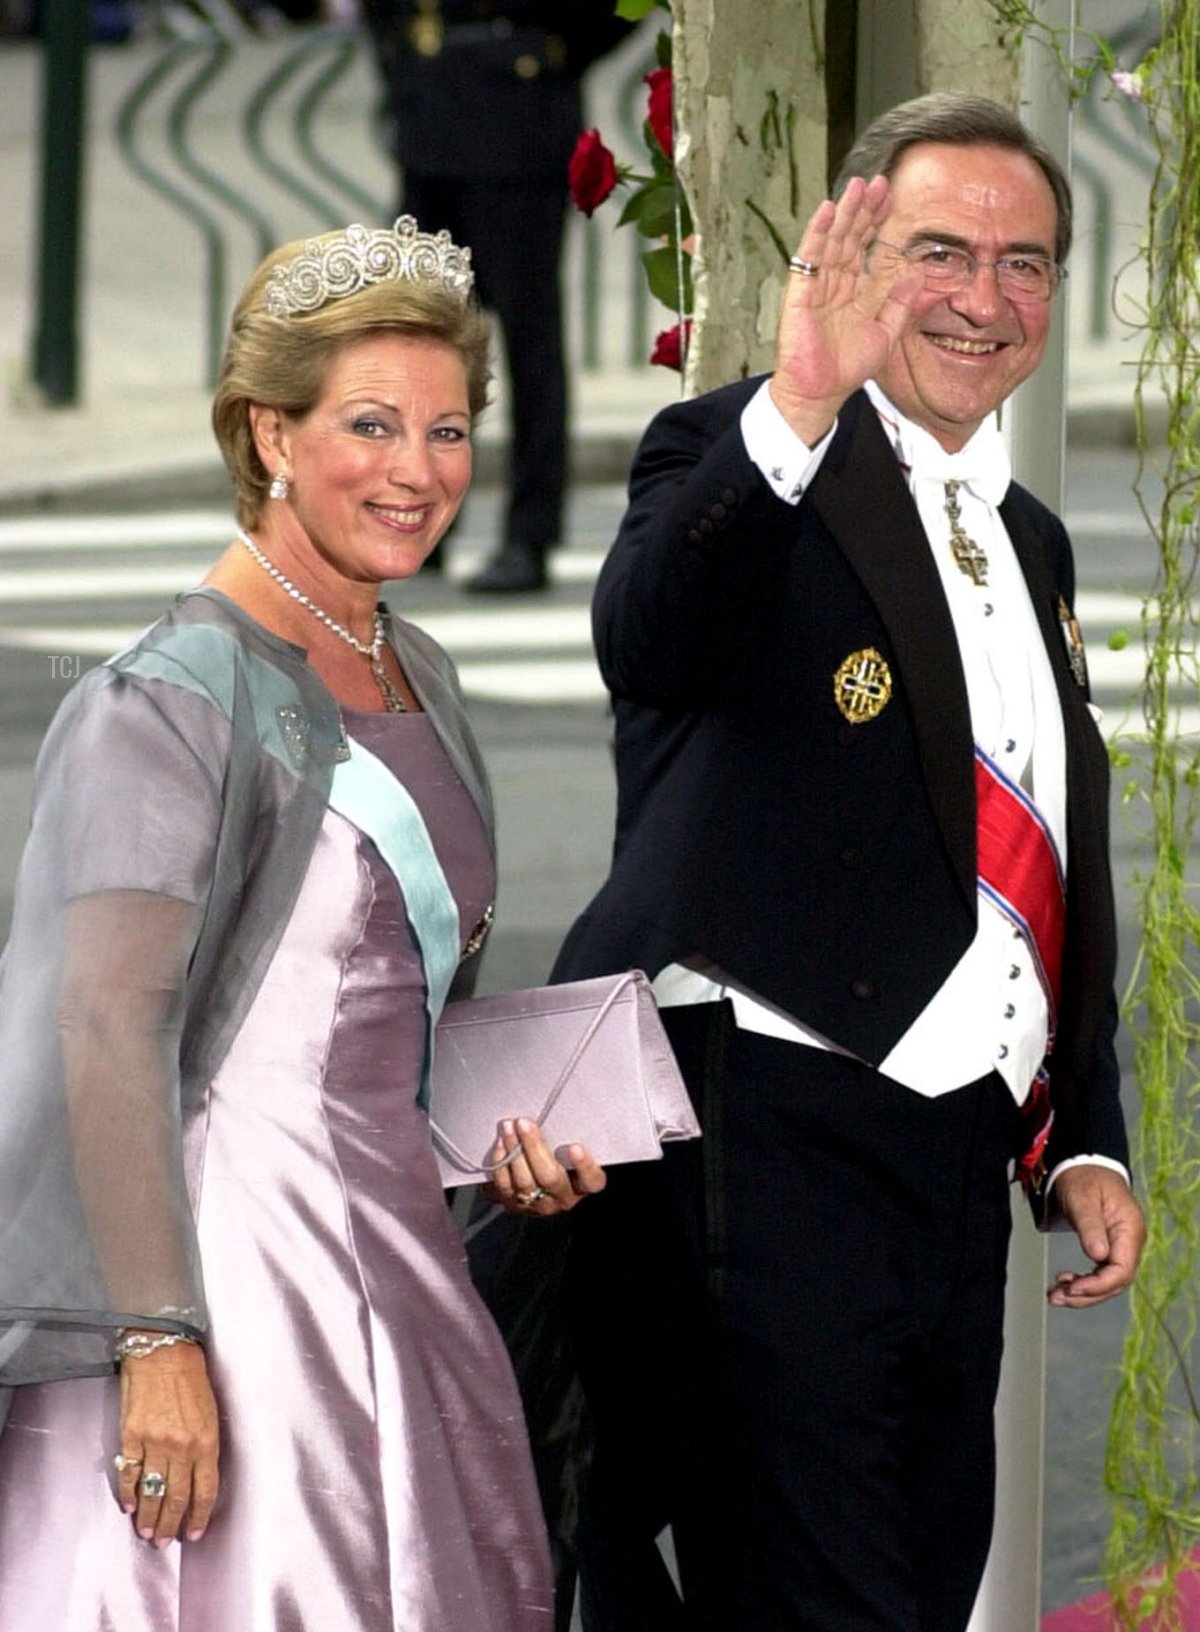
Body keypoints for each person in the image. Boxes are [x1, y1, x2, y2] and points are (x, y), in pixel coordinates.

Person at [548, 92, 1147, 1632]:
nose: (982, 297)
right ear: (855, 258)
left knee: (922, 1577)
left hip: (955, 1154)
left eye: (1024, 264)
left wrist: (1084, 1131)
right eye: (939, 251)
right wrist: (800, 406)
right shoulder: (735, 452)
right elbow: (649, 645)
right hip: (772, 1124)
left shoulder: (1030, 536)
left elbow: (1042, 858)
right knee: (821, 1598)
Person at [0, 214, 603, 1632]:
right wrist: (157, 1339)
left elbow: (382, 1001)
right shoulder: (165, 697)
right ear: (271, 433)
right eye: (371, 426)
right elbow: (105, 1024)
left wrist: (497, 1138)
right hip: (232, 1270)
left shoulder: (412, 663)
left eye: (448, 432)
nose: (418, 472)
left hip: (397, 1246)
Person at [361, 0, 633, 593]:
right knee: (421, 341)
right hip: (429, 114)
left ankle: (529, 534)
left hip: (517, 117)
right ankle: (418, 517)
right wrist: (401, 62)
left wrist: (551, 51)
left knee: (529, 342)